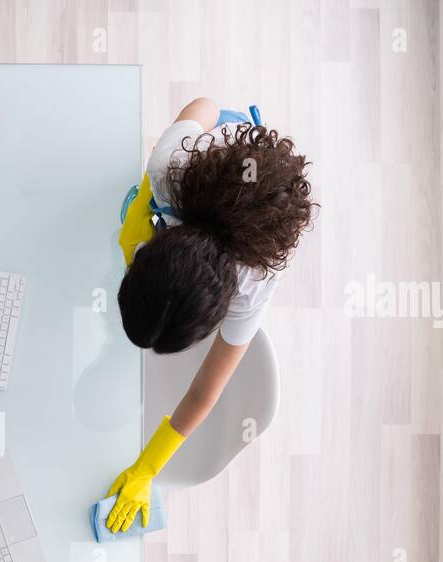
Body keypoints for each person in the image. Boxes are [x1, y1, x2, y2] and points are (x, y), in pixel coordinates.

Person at [107, 97, 314, 532]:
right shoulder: (171, 170)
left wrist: (148, 468)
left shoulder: (254, 283)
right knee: (131, 206)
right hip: (217, 163)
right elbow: (204, 106)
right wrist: (143, 203)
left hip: (256, 183)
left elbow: (204, 393)